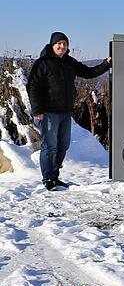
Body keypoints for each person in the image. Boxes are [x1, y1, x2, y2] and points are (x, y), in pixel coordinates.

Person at [27, 32, 111, 191]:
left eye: (64, 44)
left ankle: (55, 175)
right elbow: (33, 87)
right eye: (59, 43)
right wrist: (37, 109)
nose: (62, 46)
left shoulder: (70, 62)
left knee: (63, 145)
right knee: (49, 147)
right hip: (47, 112)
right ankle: (48, 179)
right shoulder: (42, 63)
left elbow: (89, 73)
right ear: (52, 45)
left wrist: (106, 64)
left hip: (65, 113)